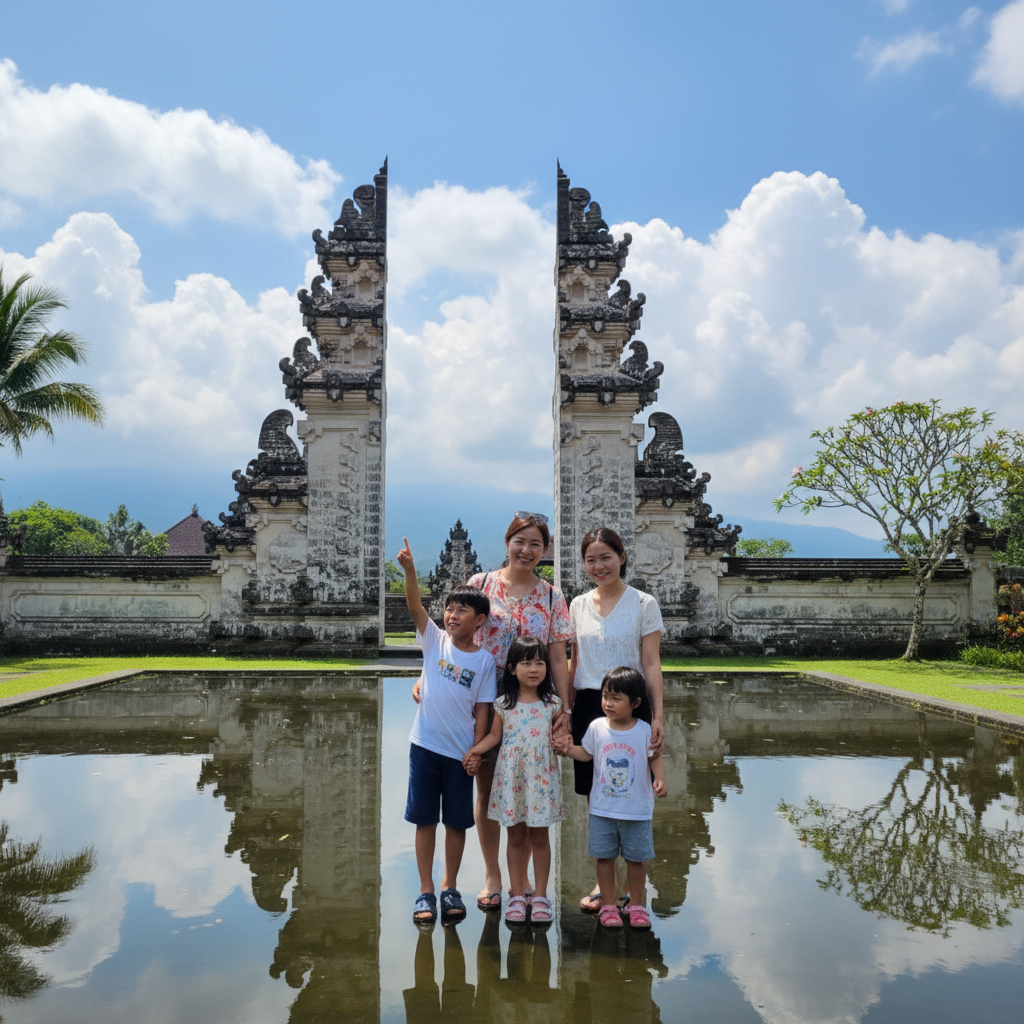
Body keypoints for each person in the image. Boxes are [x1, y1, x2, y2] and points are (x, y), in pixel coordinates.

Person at [415, 511, 572, 912]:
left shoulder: (553, 596)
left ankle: (533, 890)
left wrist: (565, 708)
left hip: (534, 706)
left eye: (536, 543)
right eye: (520, 541)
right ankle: (493, 875)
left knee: (532, 791)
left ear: (545, 549)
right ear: (507, 543)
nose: (526, 550)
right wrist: (424, 678)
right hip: (483, 705)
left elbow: (557, 655)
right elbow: (449, 640)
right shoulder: (479, 584)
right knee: (485, 790)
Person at [398, 538, 497, 925]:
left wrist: (477, 751)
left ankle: (448, 885)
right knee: (425, 820)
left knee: (456, 822)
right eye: (450, 609)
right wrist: (410, 572)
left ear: (480, 621)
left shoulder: (486, 661)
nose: (453, 616)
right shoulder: (434, 640)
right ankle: (425, 890)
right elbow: (414, 606)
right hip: (424, 746)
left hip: (459, 753)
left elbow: (483, 711)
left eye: (462, 611)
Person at [569, 526, 665, 912]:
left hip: (632, 702)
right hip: (590, 703)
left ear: (621, 557)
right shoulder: (577, 605)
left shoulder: (644, 603)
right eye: (590, 559)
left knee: (634, 785)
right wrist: (565, 709)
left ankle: (635, 889)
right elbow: (574, 663)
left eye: (605, 557)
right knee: (598, 790)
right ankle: (605, 887)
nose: (598, 566)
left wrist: (657, 715)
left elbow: (651, 662)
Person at [464, 637, 565, 925]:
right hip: (513, 779)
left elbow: (559, 737)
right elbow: (495, 737)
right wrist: (475, 750)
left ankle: (542, 895)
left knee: (540, 837)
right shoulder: (503, 704)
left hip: (541, 781)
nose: (534, 669)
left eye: (539, 663)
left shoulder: (552, 704)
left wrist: (564, 742)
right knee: (516, 836)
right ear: (511, 668)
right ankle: (518, 894)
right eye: (526, 663)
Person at [557, 667, 667, 929]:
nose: (608, 703)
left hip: (636, 810)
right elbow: (586, 754)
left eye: (616, 698)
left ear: (636, 703)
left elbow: (655, 757)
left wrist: (659, 779)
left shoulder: (643, 730)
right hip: (602, 809)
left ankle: (637, 905)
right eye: (606, 696)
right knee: (604, 858)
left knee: (637, 860)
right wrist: (566, 749)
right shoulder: (596, 727)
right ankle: (608, 904)